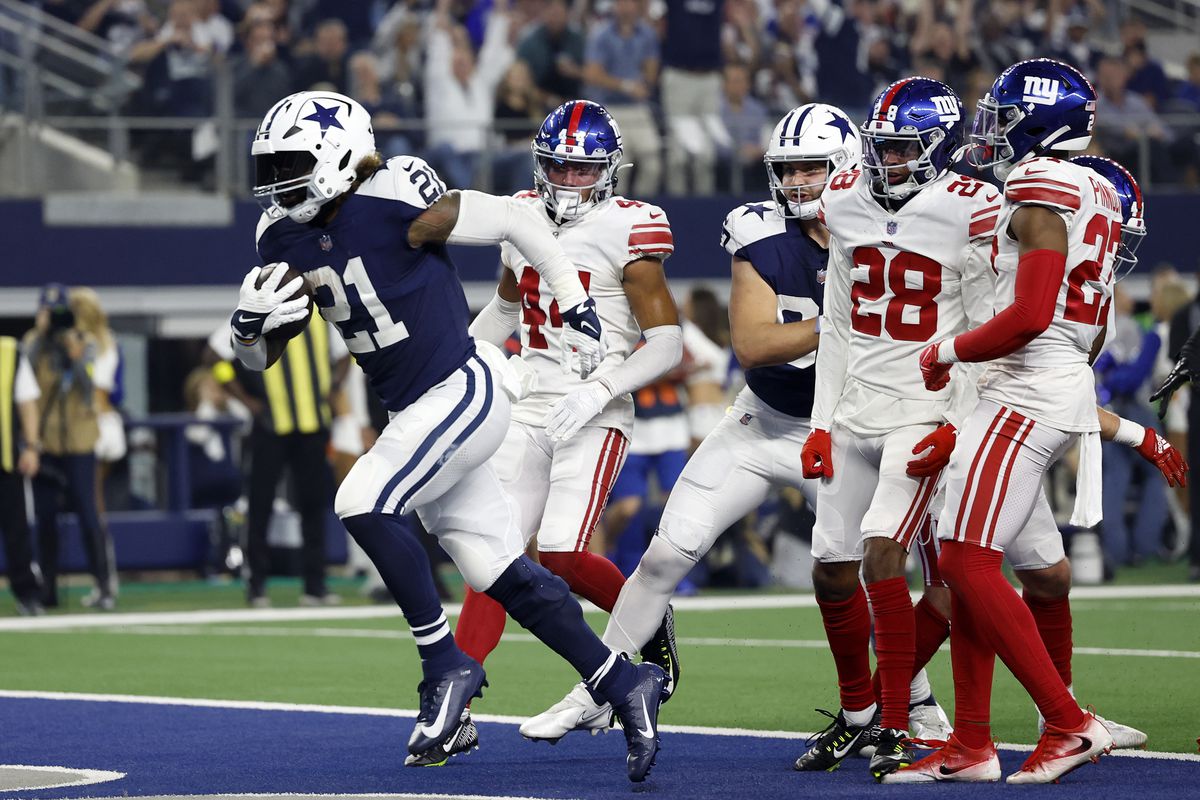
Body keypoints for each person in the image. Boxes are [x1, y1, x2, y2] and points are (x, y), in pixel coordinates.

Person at [235, 89, 664, 781]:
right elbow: (258, 359)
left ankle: (444, 665)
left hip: (463, 386)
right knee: (501, 574)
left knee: (362, 499)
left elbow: (516, 224)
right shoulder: (277, 236)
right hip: (415, 411)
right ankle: (622, 683)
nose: (276, 180)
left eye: (289, 162)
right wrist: (245, 330)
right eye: (269, 164)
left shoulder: (394, 189)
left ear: (337, 155)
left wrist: (574, 296)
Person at [520, 102, 856, 742]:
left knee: (866, 572)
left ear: (846, 168)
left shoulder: (884, 231)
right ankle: (600, 686)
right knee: (663, 557)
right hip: (761, 421)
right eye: (788, 169)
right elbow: (753, 345)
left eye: (813, 167)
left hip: (844, 431)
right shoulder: (759, 231)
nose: (798, 182)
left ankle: (905, 709)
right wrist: (846, 325)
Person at [906, 58, 1125, 784]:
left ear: (1039, 120)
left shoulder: (1039, 183)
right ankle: (971, 743)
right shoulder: (1099, 185)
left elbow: (1031, 315)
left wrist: (948, 348)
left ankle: (1067, 723)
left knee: (966, 559)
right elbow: (1080, 327)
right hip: (1051, 383)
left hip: (1024, 388)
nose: (991, 132)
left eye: (1003, 117)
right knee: (977, 561)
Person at [452, 99, 682, 752]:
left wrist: (601, 389)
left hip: (597, 407)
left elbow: (668, 343)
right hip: (529, 404)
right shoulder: (519, 217)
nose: (568, 182)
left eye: (582, 170)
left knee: (557, 553)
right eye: (557, 166)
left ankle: (647, 616)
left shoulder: (630, 230)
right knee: (488, 552)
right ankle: (460, 694)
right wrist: (451, 371)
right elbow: (503, 312)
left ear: (609, 172)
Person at [797, 79, 991, 780]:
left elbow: (980, 326)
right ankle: (858, 716)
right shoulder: (846, 199)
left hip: (922, 409)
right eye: (880, 146)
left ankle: (894, 721)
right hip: (855, 410)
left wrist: (959, 421)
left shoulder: (973, 207)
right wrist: (820, 424)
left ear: (939, 149)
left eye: (903, 149)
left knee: (884, 557)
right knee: (829, 572)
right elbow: (839, 325)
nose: (887, 160)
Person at [208, 314, 349, 606]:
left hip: (313, 425)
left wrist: (333, 388)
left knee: (312, 505)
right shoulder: (257, 312)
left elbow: (345, 353)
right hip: (270, 425)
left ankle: (315, 586)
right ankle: (256, 584)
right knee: (260, 505)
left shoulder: (321, 314)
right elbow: (213, 356)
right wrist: (246, 399)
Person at [25, 284, 117, 610]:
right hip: (46, 442)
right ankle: (46, 588)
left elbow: (92, 387)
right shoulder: (33, 344)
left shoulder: (85, 342)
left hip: (79, 441)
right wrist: (42, 335)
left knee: (88, 514)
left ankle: (104, 585)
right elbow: (25, 382)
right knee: (46, 518)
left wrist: (75, 356)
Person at [0, 335, 44, 616]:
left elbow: (26, 402)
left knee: (17, 531)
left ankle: (27, 593)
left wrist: (31, 447)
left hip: (4, 461)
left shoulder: (8, 351)